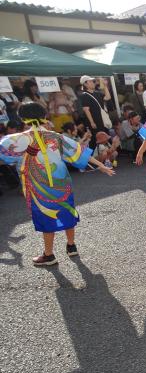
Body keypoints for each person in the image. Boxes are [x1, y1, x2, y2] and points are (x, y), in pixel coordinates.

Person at [0, 103, 114, 266]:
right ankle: (71, 245)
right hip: (62, 184)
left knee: (46, 216)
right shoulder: (56, 136)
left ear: (22, 118)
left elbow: (4, 155)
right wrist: (101, 165)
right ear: (44, 117)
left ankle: (49, 255)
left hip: (38, 187)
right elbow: (79, 152)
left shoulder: (17, 140)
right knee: (67, 211)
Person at [79, 75, 109, 148]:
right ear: (85, 84)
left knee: (104, 139)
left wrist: (105, 86)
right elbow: (86, 110)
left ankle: (106, 157)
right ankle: (97, 157)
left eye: (93, 81)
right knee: (95, 141)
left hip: (102, 120)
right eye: (90, 81)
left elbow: (108, 97)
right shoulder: (84, 95)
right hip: (95, 122)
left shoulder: (97, 93)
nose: (93, 82)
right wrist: (92, 122)